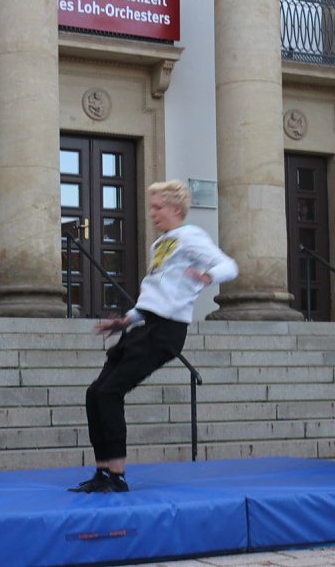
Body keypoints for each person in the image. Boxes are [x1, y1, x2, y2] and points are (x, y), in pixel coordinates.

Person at [70, 180, 238, 494]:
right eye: (152, 207)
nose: (152, 213)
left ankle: (117, 476)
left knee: (109, 392)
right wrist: (126, 320)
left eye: (158, 207)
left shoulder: (191, 236)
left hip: (167, 331)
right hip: (146, 326)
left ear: (176, 208)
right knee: (95, 393)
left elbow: (228, 265)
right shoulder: (159, 244)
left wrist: (208, 276)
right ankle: (103, 471)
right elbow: (155, 296)